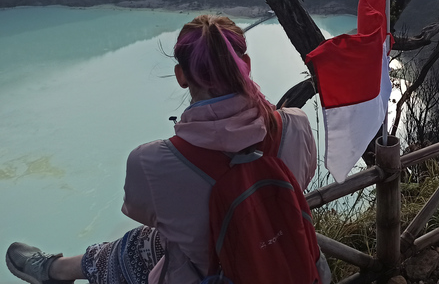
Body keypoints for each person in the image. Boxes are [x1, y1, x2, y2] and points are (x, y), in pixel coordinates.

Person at [6, 15, 319, 284]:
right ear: (246, 66)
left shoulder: (151, 162)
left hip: (213, 274)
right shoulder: (297, 125)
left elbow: (153, 216)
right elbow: (300, 180)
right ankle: (54, 269)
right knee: (146, 242)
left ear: (181, 76)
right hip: (294, 263)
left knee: (137, 247)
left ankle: (53, 270)